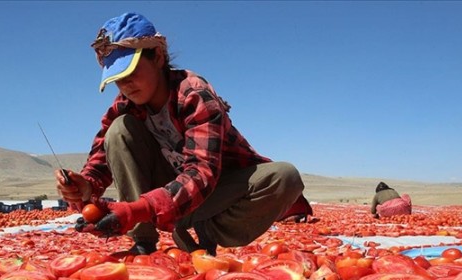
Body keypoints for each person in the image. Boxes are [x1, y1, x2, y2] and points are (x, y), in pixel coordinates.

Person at [57, 12, 311, 255]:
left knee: (284, 177)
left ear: (157, 56)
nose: (125, 85)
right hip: (166, 189)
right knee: (119, 129)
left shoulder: (193, 94)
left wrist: (139, 208)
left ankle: (205, 231)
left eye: (131, 72)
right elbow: (101, 155)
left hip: (214, 190)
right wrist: (86, 185)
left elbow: (203, 172)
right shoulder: (125, 105)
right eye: (117, 78)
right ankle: (142, 242)